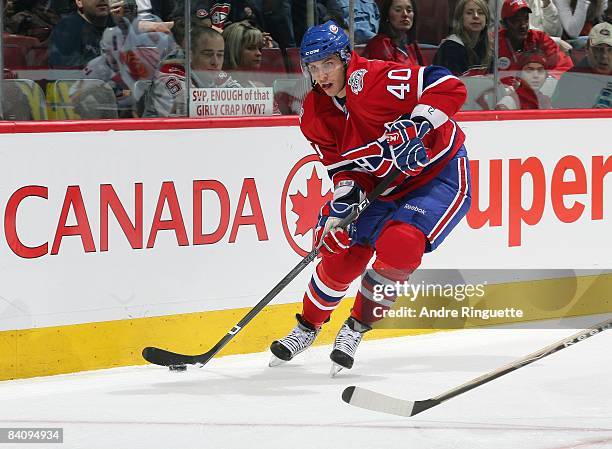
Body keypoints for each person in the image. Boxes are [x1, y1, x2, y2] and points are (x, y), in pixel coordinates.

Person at [269, 20, 471, 374]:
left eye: (328, 64)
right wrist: (343, 203)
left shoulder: (377, 80)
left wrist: (417, 126)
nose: (321, 75)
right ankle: (307, 327)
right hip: (380, 183)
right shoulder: (314, 114)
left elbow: (448, 85)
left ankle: (355, 327)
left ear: (346, 59)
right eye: (313, 68)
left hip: (434, 176)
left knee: (401, 244)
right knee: (338, 250)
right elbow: (340, 166)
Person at [143, 25, 241, 117]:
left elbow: (242, 102)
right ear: (190, 55)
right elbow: (181, 122)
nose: (215, 62)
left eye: (220, 55)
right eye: (208, 55)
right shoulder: (170, 79)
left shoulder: (220, 77)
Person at [498, 0, 573, 76]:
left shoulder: (540, 39)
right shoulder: (494, 44)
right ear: (503, 24)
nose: (523, 25)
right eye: (517, 20)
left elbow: (564, 65)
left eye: (526, 19)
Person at [552, 21, 612, 107]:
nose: (604, 56)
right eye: (598, 49)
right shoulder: (572, 79)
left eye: (610, 50)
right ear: (587, 48)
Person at [434, 0, 493, 76]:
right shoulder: (451, 48)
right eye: (469, 13)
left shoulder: (487, 46)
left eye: (480, 13)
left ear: (486, 19)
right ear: (460, 19)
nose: (476, 16)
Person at [363, 0, 423, 65]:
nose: (405, 14)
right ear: (387, 15)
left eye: (409, 10)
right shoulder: (379, 44)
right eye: (398, 10)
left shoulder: (412, 45)